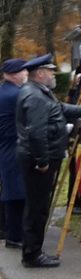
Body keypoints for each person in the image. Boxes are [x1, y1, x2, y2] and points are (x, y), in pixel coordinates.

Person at [16, 54, 81, 268]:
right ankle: (32, 255)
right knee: (37, 208)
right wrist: (42, 161)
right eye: (50, 71)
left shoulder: (41, 93)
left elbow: (61, 109)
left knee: (39, 206)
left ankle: (33, 251)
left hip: (44, 157)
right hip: (39, 161)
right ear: (40, 73)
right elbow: (36, 133)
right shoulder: (35, 96)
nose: (53, 74)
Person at [0, 59, 28, 249]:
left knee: (12, 189)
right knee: (16, 192)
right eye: (23, 71)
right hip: (13, 145)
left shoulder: (5, 91)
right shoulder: (16, 94)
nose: (26, 74)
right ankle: (14, 235)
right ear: (14, 74)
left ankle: (10, 232)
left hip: (6, 145)